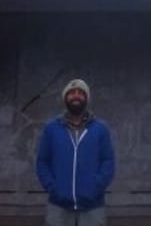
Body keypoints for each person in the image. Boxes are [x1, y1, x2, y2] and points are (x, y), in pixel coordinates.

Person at [34, 79, 115, 226]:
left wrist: (95, 187)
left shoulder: (100, 129)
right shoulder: (52, 128)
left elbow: (108, 162)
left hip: (93, 207)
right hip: (58, 206)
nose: (76, 96)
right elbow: (42, 162)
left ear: (86, 99)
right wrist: (53, 188)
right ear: (65, 98)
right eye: (71, 93)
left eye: (80, 93)